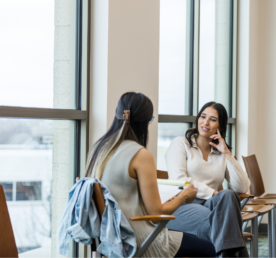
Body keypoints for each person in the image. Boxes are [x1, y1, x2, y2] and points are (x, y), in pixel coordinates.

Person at [85, 92, 216, 258]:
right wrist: (183, 197)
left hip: (111, 237)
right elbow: (155, 212)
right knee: (209, 249)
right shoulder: (140, 154)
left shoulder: (99, 149)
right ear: (145, 122)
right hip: (139, 238)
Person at [165, 101, 251, 257]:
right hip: (181, 205)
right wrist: (212, 193)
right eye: (203, 117)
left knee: (228, 195)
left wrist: (227, 154)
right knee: (225, 224)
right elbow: (179, 179)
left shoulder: (220, 153)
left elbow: (242, 187)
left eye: (212, 119)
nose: (205, 122)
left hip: (210, 206)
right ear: (197, 119)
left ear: (221, 126)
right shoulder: (181, 144)